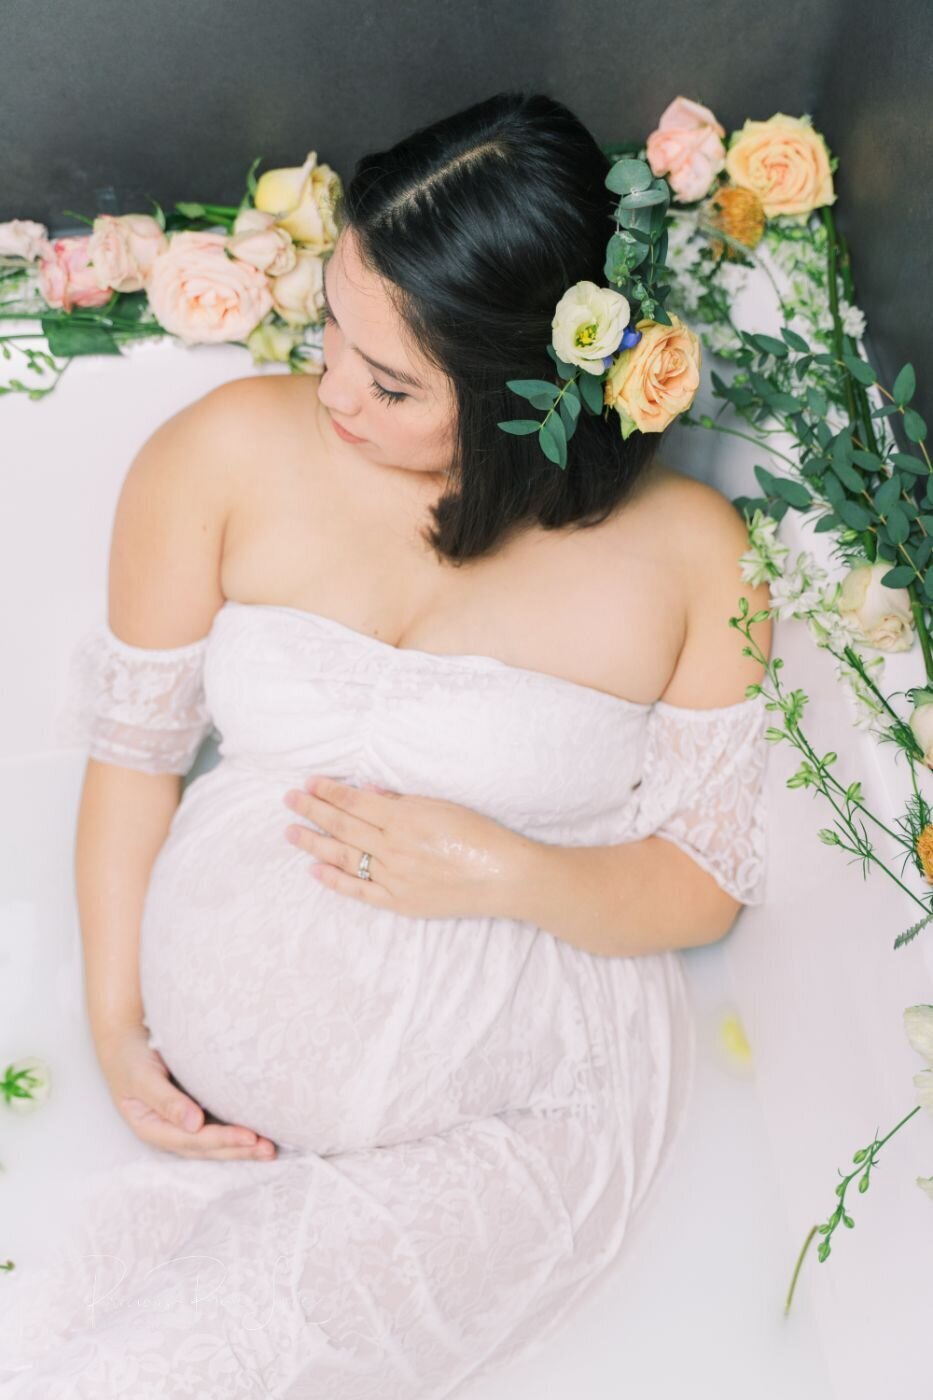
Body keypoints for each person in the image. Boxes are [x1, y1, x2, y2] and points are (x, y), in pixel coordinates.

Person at [0, 90, 771, 1397]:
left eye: (393, 380)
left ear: (533, 389)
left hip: (520, 1112)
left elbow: (702, 881)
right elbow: (135, 754)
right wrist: (117, 1019)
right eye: (332, 333)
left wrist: (508, 872)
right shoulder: (227, 452)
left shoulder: (687, 557)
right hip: (213, 1110)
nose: (332, 391)